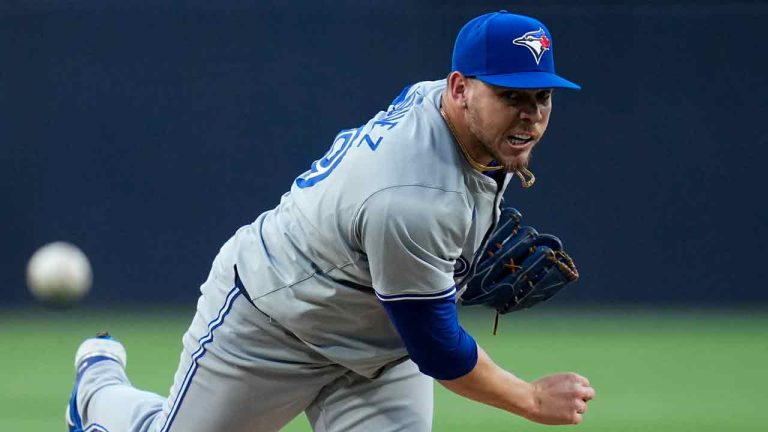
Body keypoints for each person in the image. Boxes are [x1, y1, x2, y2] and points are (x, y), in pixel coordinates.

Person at [67, 10, 595, 432]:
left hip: (382, 346)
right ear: (459, 88)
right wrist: (529, 399)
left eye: (540, 96)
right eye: (510, 96)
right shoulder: (412, 198)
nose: (529, 113)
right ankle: (98, 387)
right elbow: (438, 348)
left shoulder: (448, 109)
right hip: (275, 323)